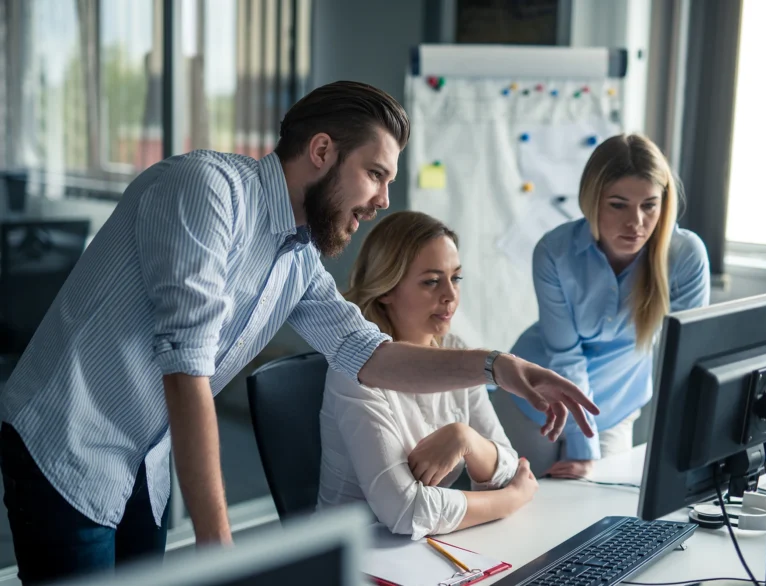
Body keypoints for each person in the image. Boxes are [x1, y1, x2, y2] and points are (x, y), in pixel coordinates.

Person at [0, 81, 597, 584]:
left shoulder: (297, 257)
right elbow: (187, 371)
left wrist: (496, 366)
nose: (383, 200)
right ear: (320, 150)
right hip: (70, 441)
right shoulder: (206, 191)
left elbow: (371, 355)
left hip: (147, 458)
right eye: (374, 174)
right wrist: (221, 552)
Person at [494, 133, 710, 479]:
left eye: (649, 205)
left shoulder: (684, 256)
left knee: (606, 513)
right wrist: (583, 449)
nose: (636, 222)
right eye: (618, 204)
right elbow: (566, 356)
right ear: (593, 201)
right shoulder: (554, 251)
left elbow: (685, 360)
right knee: (523, 506)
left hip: (615, 408)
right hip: (535, 401)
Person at [318, 211, 538, 539]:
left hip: (426, 548)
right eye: (431, 281)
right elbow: (406, 511)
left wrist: (465, 439)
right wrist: (512, 500)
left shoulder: (456, 350)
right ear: (386, 289)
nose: (450, 295)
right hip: (354, 556)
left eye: (456, 278)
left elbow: (506, 465)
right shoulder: (354, 370)